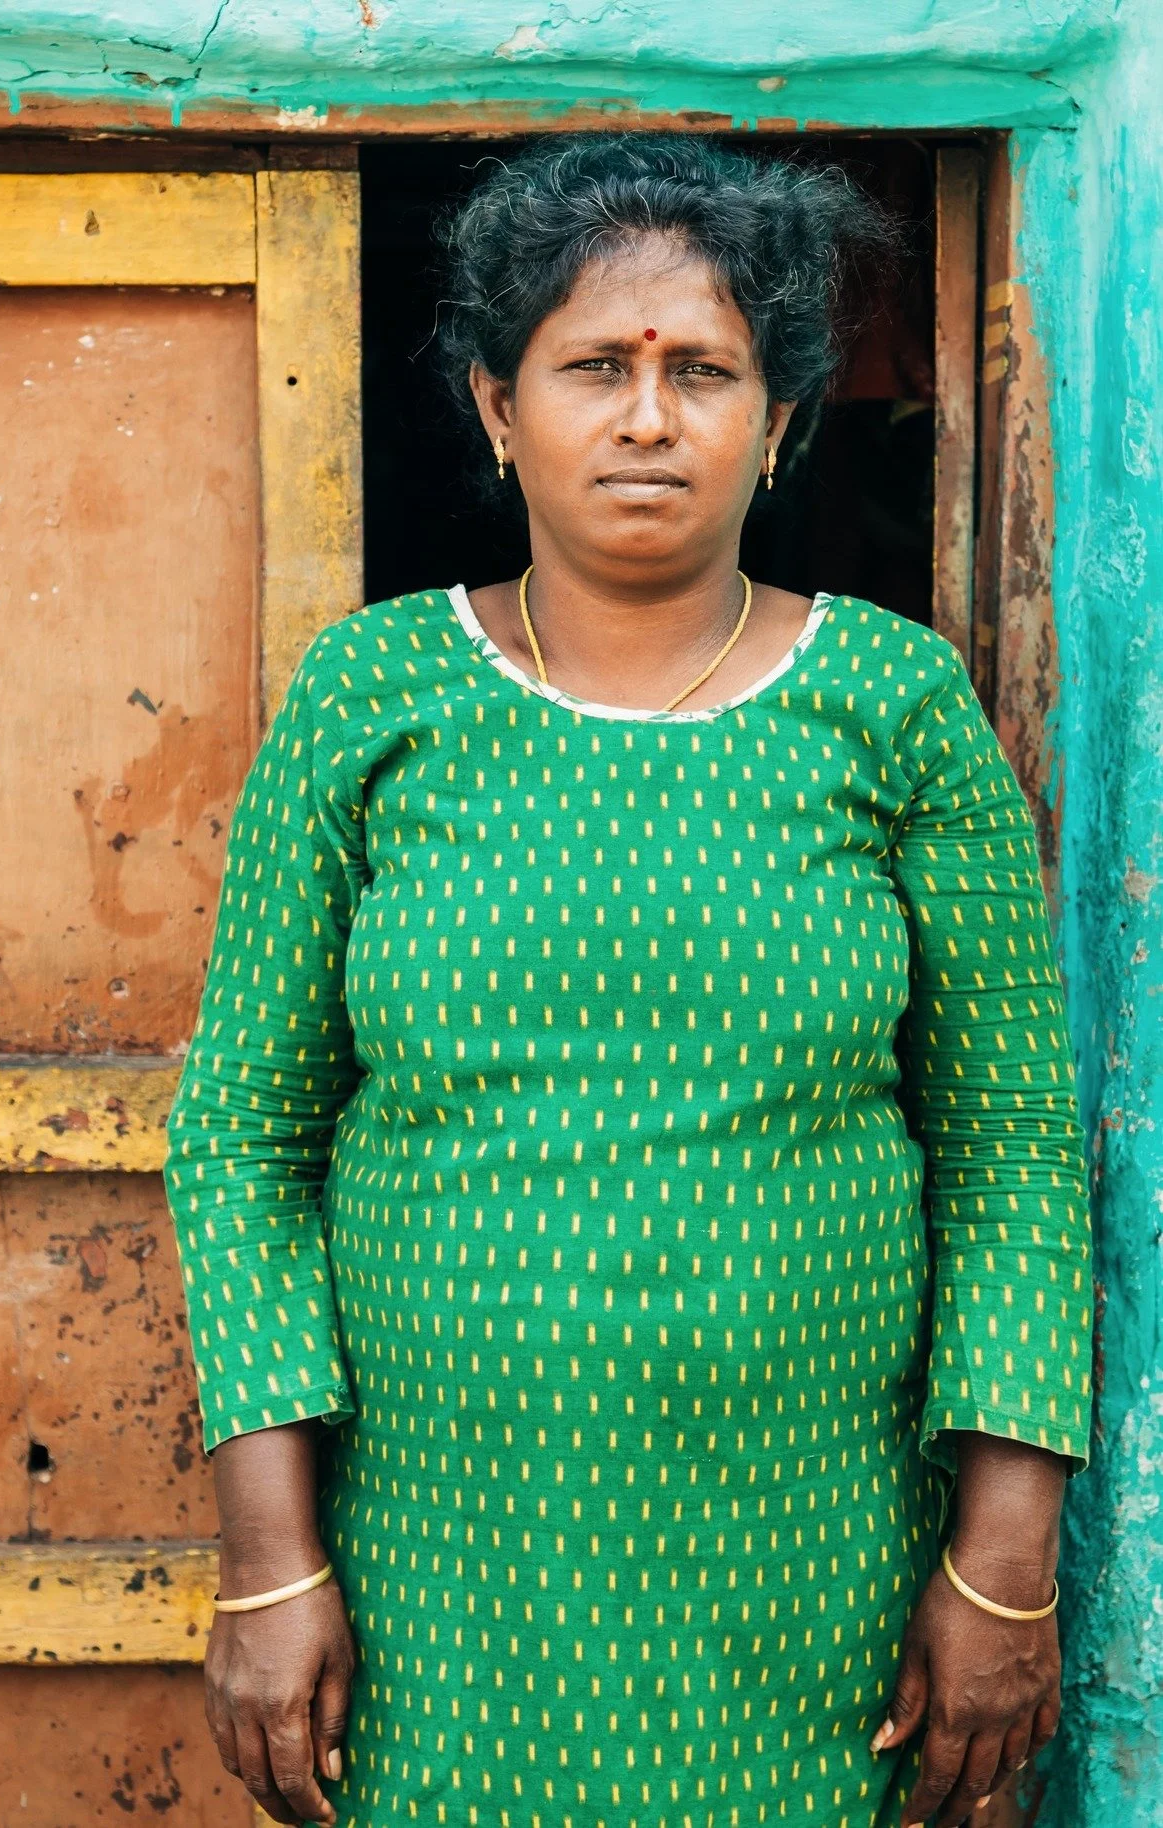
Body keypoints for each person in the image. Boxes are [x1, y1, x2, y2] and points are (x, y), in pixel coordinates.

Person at [164, 134, 1092, 1828]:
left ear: (781, 417)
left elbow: (1013, 1148)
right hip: (439, 1582)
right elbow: (239, 1138)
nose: (648, 417)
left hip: (816, 1579)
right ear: (496, 408)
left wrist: (1002, 1564)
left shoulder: (890, 704)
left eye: (704, 372)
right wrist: (267, 1558)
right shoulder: (372, 696)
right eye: (594, 366)